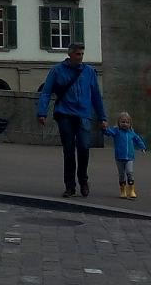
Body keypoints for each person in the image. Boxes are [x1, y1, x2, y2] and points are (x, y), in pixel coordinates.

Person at [36, 42, 107, 198]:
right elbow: (46, 92)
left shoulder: (89, 72)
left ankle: (83, 180)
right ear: (70, 54)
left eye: (82, 54)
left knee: (83, 148)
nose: (80, 57)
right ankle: (70, 186)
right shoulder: (57, 70)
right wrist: (42, 112)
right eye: (77, 54)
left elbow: (96, 95)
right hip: (65, 113)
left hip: (83, 114)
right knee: (68, 151)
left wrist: (102, 117)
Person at [102, 112, 147, 198]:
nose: (125, 124)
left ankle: (131, 190)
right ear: (118, 122)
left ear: (130, 123)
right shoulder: (116, 131)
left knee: (130, 172)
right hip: (119, 157)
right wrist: (104, 128)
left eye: (127, 122)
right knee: (121, 174)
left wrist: (142, 147)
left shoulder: (131, 133)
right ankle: (123, 191)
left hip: (129, 157)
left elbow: (138, 139)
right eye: (122, 122)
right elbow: (108, 132)